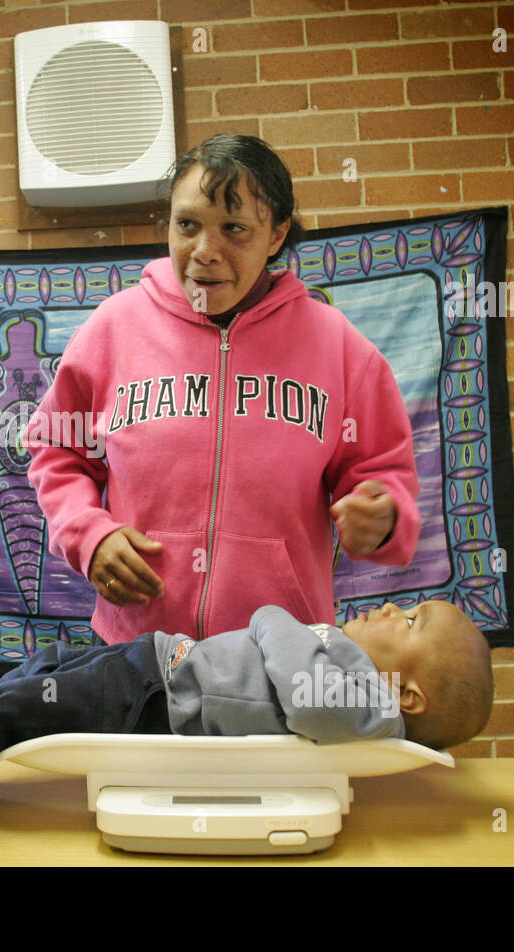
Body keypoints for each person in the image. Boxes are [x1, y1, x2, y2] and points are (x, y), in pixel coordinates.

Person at [26, 134, 420, 645]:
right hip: (136, 651)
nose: (205, 253)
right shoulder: (112, 328)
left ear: (277, 234)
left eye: (234, 229)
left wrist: (383, 516)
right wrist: (89, 536)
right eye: (187, 225)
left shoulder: (341, 348)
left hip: (281, 661)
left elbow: (384, 474)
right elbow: (57, 449)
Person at [0, 600, 493, 823]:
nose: (391, 611)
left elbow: (304, 694)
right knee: (45, 666)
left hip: (156, 698)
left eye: (410, 621)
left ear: (409, 695)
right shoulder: (352, 665)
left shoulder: (374, 706)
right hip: (156, 663)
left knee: (16, 711)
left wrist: (277, 615)